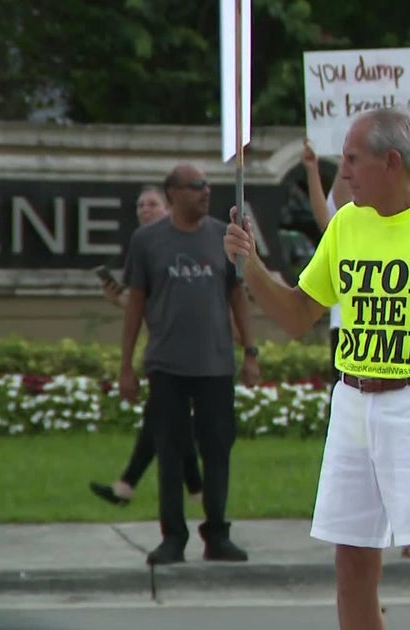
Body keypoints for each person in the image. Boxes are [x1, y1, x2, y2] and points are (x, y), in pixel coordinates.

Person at [224, 109, 410, 630]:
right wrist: (251, 266)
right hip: (352, 402)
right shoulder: (347, 224)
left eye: (352, 159)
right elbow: (298, 315)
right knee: (351, 559)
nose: (343, 171)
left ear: (391, 162)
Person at [118, 165, 260, 564]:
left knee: (217, 450)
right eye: (197, 187)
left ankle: (217, 534)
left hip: (215, 365)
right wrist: (126, 365)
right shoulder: (147, 241)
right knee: (170, 451)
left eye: (207, 186)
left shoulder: (222, 236)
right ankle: (173, 537)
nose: (206, 193)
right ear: (174, 193)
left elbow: (238, 297)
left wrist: (251, 352)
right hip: (167, 366)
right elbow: (135, 305)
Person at [305, 134, 410, 387]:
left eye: (354, 160)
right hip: (348, 330)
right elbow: (326, 219)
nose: (349, 174)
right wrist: (313, 168)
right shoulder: (348, 222)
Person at [89, 186, 203, 506]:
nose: (144, 210)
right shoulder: (144, 248)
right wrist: (120, 300)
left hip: (186, 348)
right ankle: (195, 489)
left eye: (152, 204)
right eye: (139, 205)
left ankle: (127, 485)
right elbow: (150, 304)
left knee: (163, 416)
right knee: (169, 419)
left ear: (168, 209)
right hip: (162, 348)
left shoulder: (177, 244)